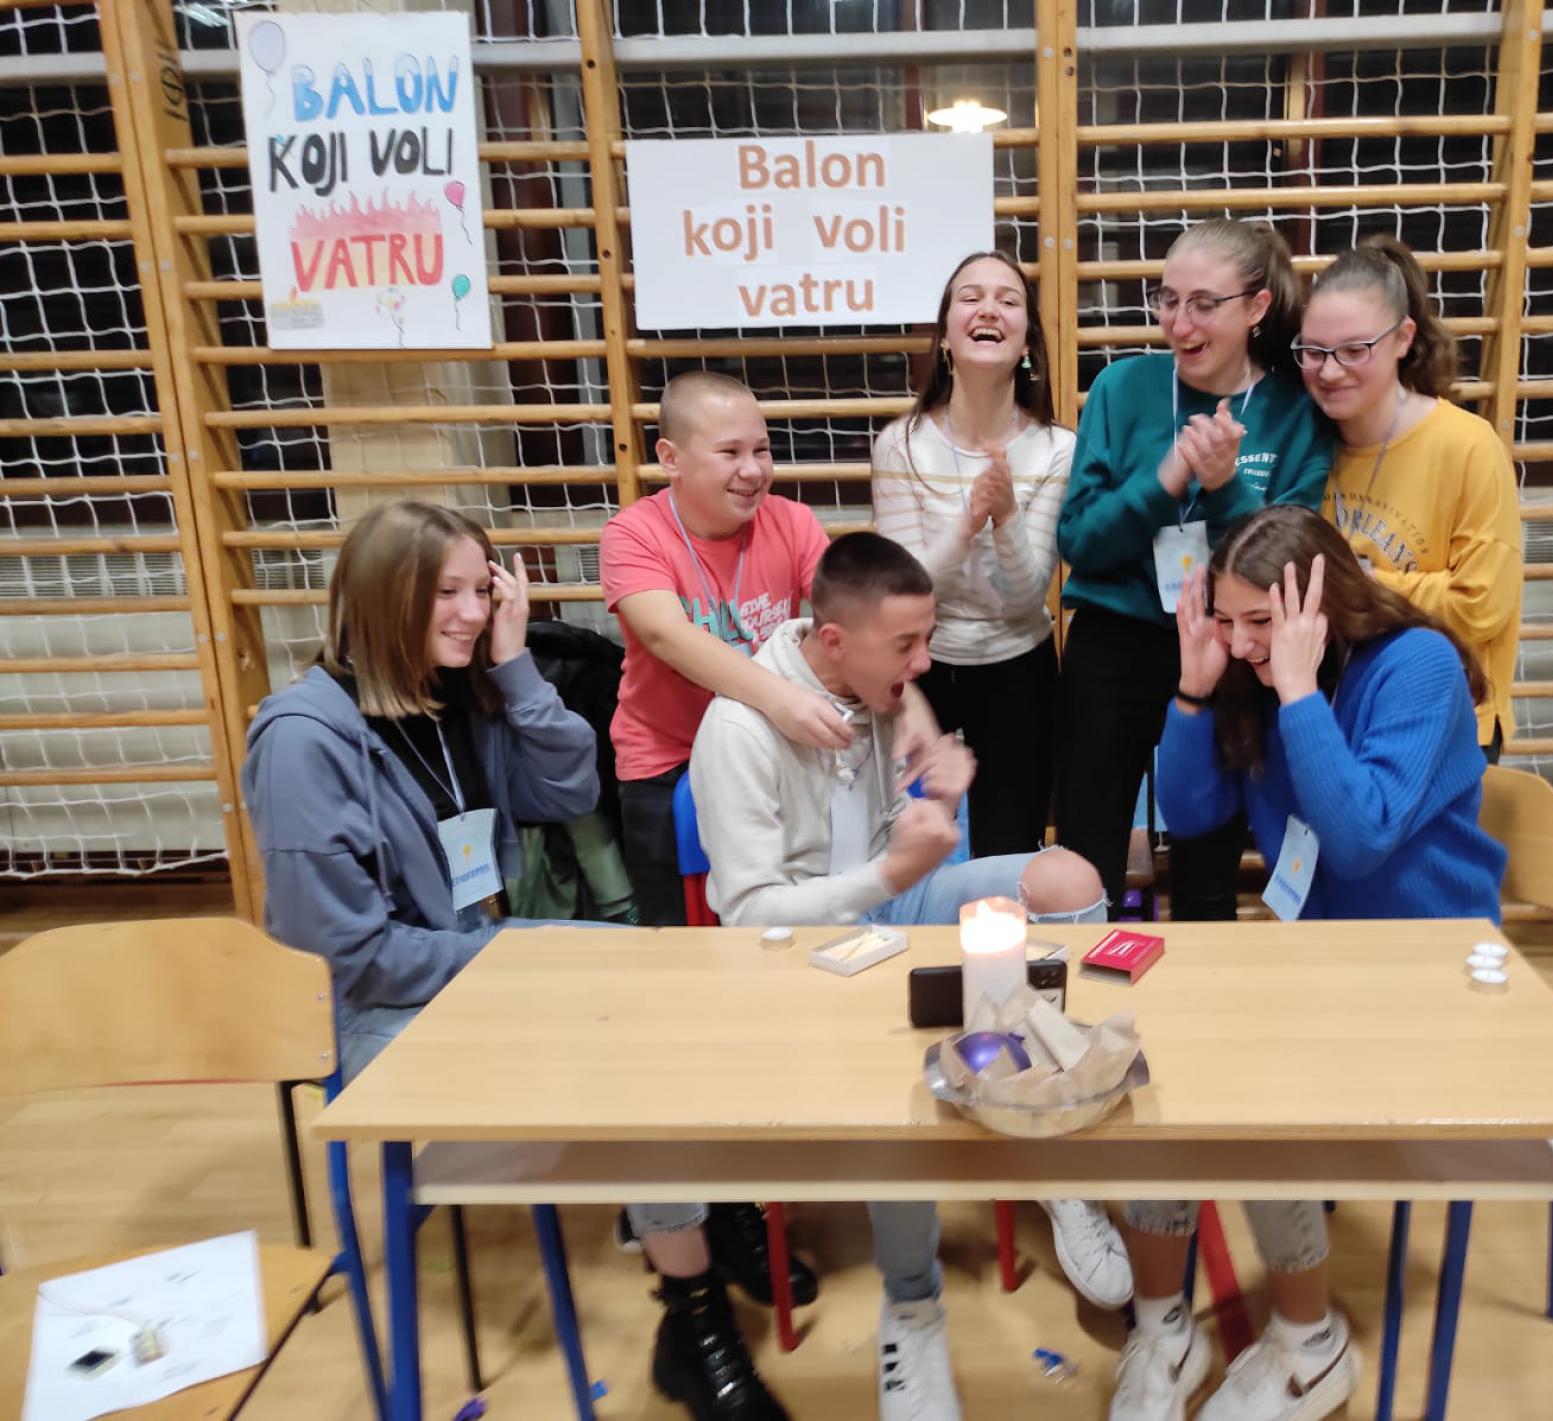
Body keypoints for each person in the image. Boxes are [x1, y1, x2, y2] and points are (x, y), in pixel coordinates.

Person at [243, 500, 790, 1421]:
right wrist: (513, 964)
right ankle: (694, 1309)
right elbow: (348, 954)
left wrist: (514, 664)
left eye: (481, 589)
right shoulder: (305, 739)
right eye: (445, 594)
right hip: (379, 1011)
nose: (470, 612)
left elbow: (571, 786)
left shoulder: (460, 692)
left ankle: (697, 1220)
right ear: (381, 598)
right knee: (629, 1044)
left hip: (474, 966)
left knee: (666, 983)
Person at [691, 532, 1129, 1421]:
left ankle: (1050, 1147)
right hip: (801, 949)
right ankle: (913, 1305)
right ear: (833, 638)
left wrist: (938, 806)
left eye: (926, 638)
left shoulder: (876, 688)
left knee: (1069, 881)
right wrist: (891, 873)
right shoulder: (738, 730)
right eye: (909, 643)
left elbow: (894, 836)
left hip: (890, 907)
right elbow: (748, 915)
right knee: (894, 1076)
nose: (925, 662)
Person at [1110, 506, 1504, 1421]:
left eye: (1262, 621)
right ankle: (1163, 1326)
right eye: (1227, 619)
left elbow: (1360, 839)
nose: (1243, 641)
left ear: (1320, 607)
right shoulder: (1251, 674)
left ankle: (1309, 1341)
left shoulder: (1416, 665)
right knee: (1152, 1059)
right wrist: (1194, 691)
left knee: (1251, 1085)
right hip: (1320, 962)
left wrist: (1296, 692)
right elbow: (1192, 813)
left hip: (1427, 968)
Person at [597, 371, 826, 1336]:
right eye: (730, 452)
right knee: (684, 1001)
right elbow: (669, 636)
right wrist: (783, 699)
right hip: (665, 773)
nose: (753, 469)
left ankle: (746, 1189)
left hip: (771, 776)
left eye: (762, 449)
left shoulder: (794, 523)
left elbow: (843, 618)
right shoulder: (635, 533)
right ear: (671, 458)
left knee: (765, 978)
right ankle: (704, 1208)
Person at [1056, 218, 1332, 922]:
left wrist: (1227, 486)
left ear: (1257, 307)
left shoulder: (1294, 410)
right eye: (1168, 300)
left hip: (1226, 648)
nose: (1180, 324)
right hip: (1113, 647)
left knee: (1208, 864)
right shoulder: (1123, 387)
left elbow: (1286, 559)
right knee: (1086, 863)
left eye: (1204, 304)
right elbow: (1079, 540)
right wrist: (1168, 479)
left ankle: (1205, 992)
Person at [871, 250, 1072, 855]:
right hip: (917, 669)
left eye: (1008, 301)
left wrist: (1005, 516)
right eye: (971, 297)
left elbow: (1025, 598)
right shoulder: (900, 445)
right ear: (945, 337)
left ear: (1027, 342)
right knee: (906, 849)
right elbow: (901, 592)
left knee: (1007, 855)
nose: (988, 310)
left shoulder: (1058, 449)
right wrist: (967, 525)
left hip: (1019, 669)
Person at [1301, 234, 1524, 762]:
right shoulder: (1309, 441)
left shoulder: (1467, 446)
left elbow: (1481, 606)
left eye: (1354, 350)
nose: (1329, 371)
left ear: (1403, 338)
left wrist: (1359, 587)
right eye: (1313, 351)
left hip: (1447, 720)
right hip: (1339, 712)